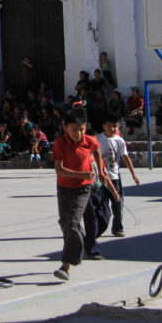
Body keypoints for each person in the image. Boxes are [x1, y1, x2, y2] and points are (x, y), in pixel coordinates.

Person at [52, 109, 106, 281]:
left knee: (73, 223)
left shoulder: (89, 140)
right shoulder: (60, 143)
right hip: (63, 188)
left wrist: (101, 171)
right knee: (66, 224)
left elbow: (97, 151)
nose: (79, 133)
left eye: (82, 129)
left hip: (82, 189)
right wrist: (81, 174)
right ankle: (78, 240)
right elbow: (59, 170)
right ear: (65, 127)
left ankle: (66, 265)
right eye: (74, 129)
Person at [98, 116, 140, 237]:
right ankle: (99, 228)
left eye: (114, 126)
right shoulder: (99, 139)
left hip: (115, 176)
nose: (112, 128)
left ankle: (117, 227)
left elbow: (125, 157)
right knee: (102, 204)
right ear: (103, 126)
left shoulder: (119, 141)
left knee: (118, 203)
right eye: (109, 126)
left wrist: (134, 175)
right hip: (102, 177)